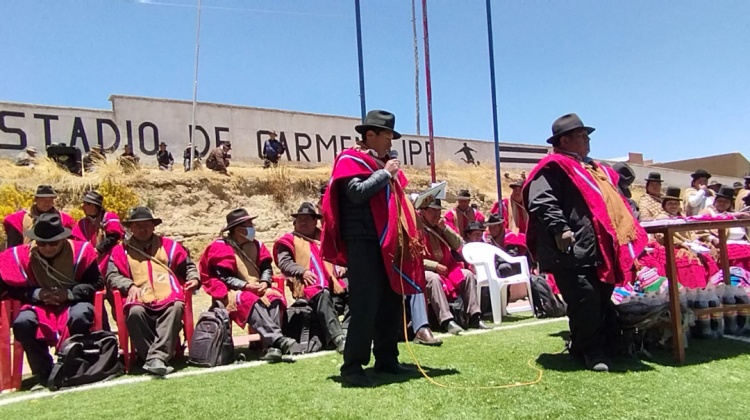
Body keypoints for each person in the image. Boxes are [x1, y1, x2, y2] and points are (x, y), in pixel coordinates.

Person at [524, 113, 648, 372]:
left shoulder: (594, 170)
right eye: (581, 136)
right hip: (569, 248)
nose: (587, 139)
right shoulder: (552, 168)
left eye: (587, 135)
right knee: (585, 299)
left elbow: (617, 199)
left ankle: (593, 346)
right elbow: (542, 200)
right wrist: (560, 228)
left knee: (602, 297)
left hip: (598, 246)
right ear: (564, 140)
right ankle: (593, 353)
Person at [320, 109, 426, 387]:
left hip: (387, 242)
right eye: (388, 134)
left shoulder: (381, 162)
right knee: (364, 305)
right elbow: (356, 193)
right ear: (370, 135)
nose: (391, 141)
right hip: (364, 242)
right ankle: (352, 367)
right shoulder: (349, 160)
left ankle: (387, 359)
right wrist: (384, 173)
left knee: (390, 301)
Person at [0, 214, 102, 387]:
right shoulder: (21, 256)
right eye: (42, 243)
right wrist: (37, 294)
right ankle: (44, 372)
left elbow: (97, 282)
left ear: (62, 239)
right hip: (38, 305)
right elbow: (10, 289)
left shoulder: (81, 252)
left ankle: (74, 367)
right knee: (23, 323)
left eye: (53, 243)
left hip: (73, 301)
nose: (47, 248)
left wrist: (69, 294)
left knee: (81, 315)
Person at [106, 207, 200, 376]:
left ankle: (153, 358)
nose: (143, 229)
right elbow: (112, 275)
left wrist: (193, 277)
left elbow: (189, 267)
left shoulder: (170, 247)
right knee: (134, 312)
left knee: (177, 307)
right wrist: (129, 286)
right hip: (138, 296)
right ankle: (159, 357)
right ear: (131, 228)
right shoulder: (120, 251)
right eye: (138, 226)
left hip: (168, 295)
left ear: (153, 226)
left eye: (147, 225)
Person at [200, 208, 299, 362]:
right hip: (233, 291)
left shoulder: (257, 245)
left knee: (274, 298)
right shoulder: (220, 247)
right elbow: (224, 277)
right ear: (239, 230)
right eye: (249, 225)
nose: (252, 227)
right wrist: (246, 286)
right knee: (248, 299)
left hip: (258, 286)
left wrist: (265, 282)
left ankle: (269, 347)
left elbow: (266, 267)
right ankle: (278, 340)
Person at [272, 202, 347, 353]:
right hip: (309, 290)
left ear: (315, 221)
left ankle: (346, 330)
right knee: (322, 293)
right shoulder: (288, 240)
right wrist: (302, 272)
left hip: (334, 284)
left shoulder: (326, 239)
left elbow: (343, 256)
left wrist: (342, 266)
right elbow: (284, 263)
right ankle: (338, 338)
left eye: (307, 219)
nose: (303, 222)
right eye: (300, 219)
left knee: (356, 291)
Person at [419, 198, 489, 334]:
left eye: (439, 211)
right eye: (433, 211)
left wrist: (445, 228)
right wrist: (434, 266)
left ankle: (474, 316)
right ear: (423, 211)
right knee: (433, 278)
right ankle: (446, 320)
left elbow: (458, 244)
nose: (437, 215)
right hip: (426, 270)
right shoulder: (417, 227)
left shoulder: (442, 226)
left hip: (446, 267)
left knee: (468, 275)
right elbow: (414, 258)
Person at [3, 185, 75, 248]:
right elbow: (13, 246)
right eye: (42, 199)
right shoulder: (19, 219)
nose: (46, 203)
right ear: (36, 199)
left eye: (50, 199)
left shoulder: (64, 219)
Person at [71, 191, 124, 274]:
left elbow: (114, 237)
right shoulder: (82, 223)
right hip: (89, 258)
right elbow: (77, 242)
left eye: (85, 204)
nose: (82, 207)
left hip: (109, 258)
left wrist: (98, 249)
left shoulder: (109, 217)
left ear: (92, 205)